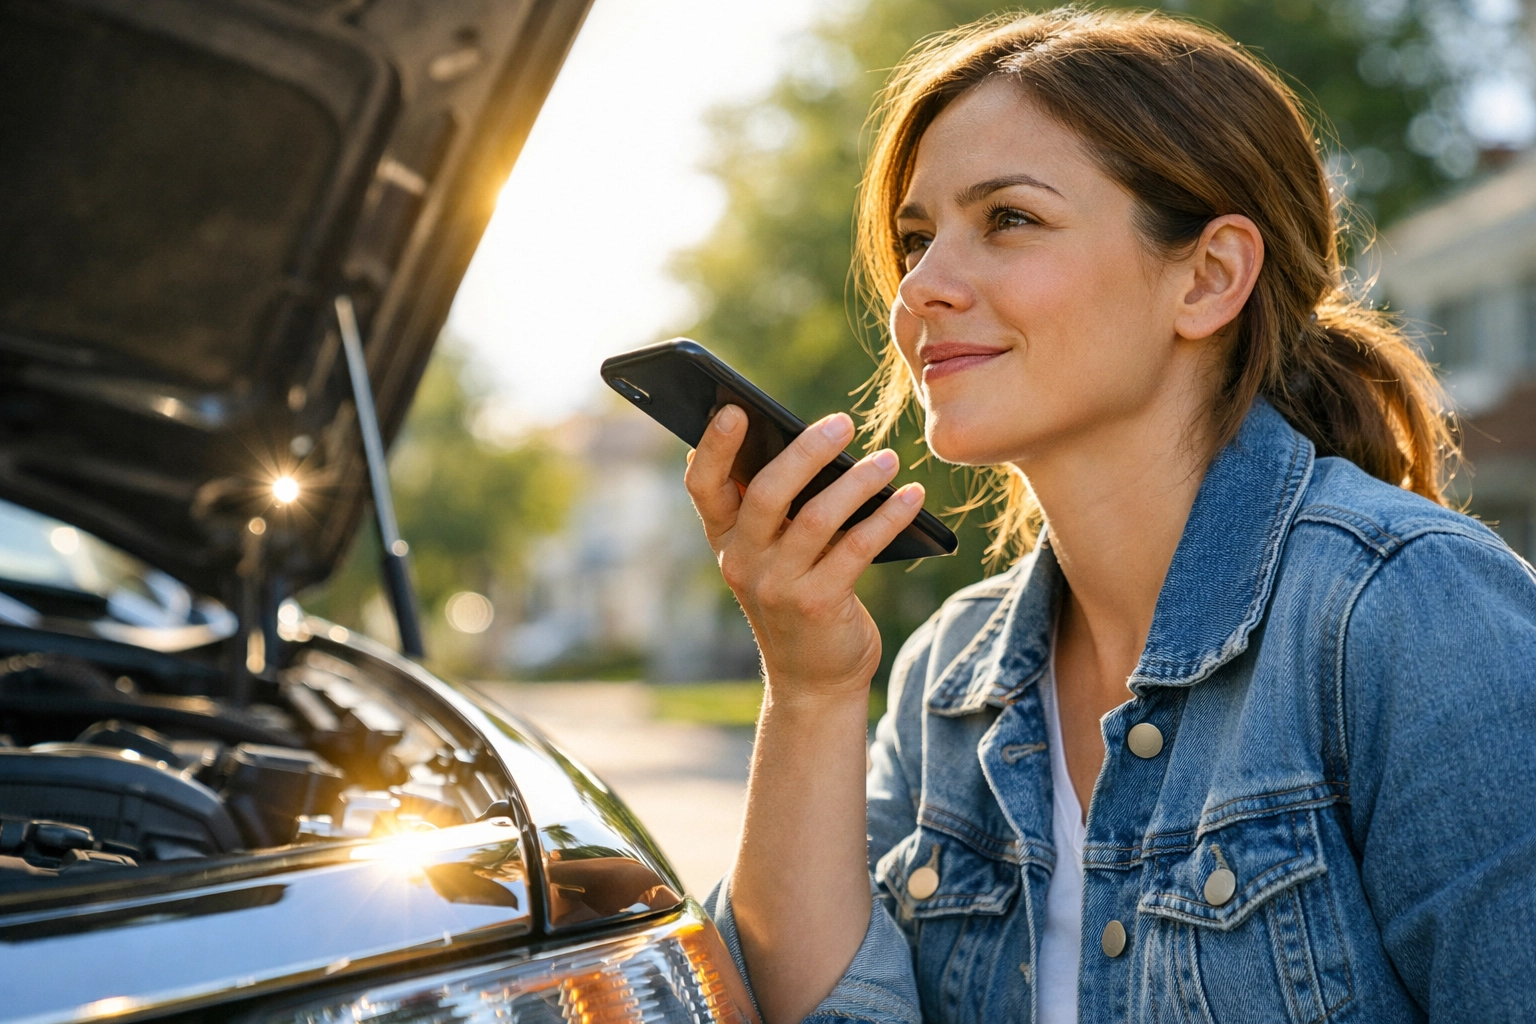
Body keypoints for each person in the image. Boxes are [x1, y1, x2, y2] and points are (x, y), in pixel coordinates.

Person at [684, 8, 1536, 1024]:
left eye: (1008, 218)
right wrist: (811, 690)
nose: (920, 289)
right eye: (916, 240)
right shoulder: (946, 677)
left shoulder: (1415, 611)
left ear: (1209, 277)